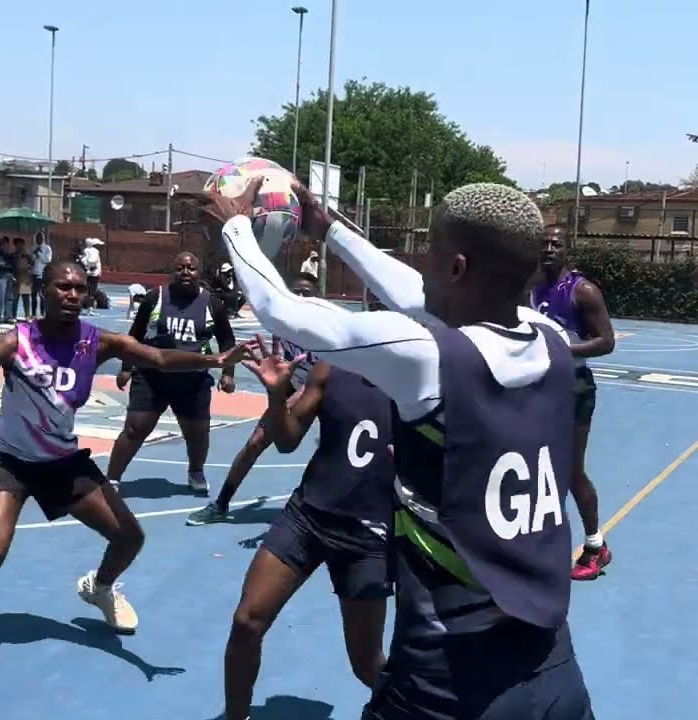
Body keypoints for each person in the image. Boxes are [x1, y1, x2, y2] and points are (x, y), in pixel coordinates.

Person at [203, 179, 593, 719]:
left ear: (456, 268)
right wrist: (332, 232)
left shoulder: (427, 358)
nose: (421, 268)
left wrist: (235, 226)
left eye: (430, 254)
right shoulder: (551, 338)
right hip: (552, 669)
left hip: (449, 679)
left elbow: (281, 311)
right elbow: (422, 294)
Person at [0, 260, 254, 691]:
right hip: (12, 463)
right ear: (43, 290)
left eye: (79, 288)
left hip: (63, 462)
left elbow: (159, 357)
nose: (72, 295)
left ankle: (100, 587)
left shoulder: (97, 343)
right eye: (62, 287)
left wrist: (217, 359)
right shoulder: (12, 343)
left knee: (130, 537)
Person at [222, 344, 394, 720]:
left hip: (369, 537)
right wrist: (275, 394)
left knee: (366, 663)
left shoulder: (422, 379)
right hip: (308, 516)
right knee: (246, 621)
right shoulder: (334, 366)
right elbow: (287, 440)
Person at [187, 274, 318, 526]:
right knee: (254, 444)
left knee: (332, 449)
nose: (301, 297)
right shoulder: (283, 325)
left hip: (323, 390)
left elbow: (317, 380)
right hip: (291, 387)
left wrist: (286, 405)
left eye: (306, 293)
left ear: (316, 299)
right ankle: (221, 504)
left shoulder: (326, 333)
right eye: (296, 292)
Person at [106, 251, 237, 495]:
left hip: (193, 379)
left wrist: (228, 373)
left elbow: (227, 340)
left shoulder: (212, 303)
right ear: (172, 272)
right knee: (135, 429)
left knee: (197, 433)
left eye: (191, 268)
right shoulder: (155, 298)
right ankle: (112, 478)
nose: (185, 272)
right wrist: (126, 368)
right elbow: (133, 336)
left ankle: (196, 471)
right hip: (152, 376)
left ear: (199, 273)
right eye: (179, 268)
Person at [531, 226, 617, 581]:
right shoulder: (528, 285)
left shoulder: (583, 291)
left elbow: (607, 342)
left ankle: (595, 546)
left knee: (569, 470)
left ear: (567, 250)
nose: (550, 248)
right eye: (544, 243)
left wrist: (562, 349)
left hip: (574, 387)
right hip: (536, 384)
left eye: (557, 243)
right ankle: (536, 544)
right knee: (532, 464)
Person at [11, 237, 35, 319]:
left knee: (26, 298)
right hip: (16, 277)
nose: (19, 246)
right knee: (15, 298)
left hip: (25, 277)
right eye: (17, 245)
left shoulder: (27, 255)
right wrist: (16, 257)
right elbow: (12, 265)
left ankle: (27, 315)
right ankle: (13, 315)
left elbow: (32, 263)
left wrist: (27, 256)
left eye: (21, 244)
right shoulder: (13, 255)